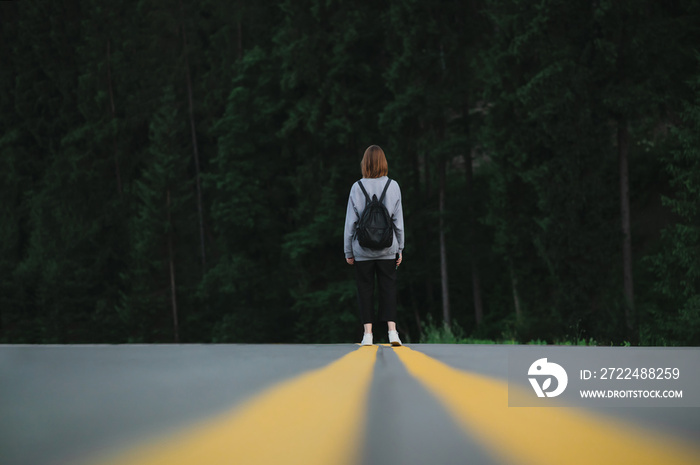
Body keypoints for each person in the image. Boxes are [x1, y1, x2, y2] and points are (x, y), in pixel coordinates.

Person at [344, 145, 404, 346]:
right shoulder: (393, 186)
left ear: (365, 164)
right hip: (388, 248)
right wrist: (400, 247)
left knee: (365, 289)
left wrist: (348, 250)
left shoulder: (356, 187)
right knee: (388, 287)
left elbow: (350, 222)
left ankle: (367, 335)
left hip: (363, 249)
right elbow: (398, 222)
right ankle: (392, 332)